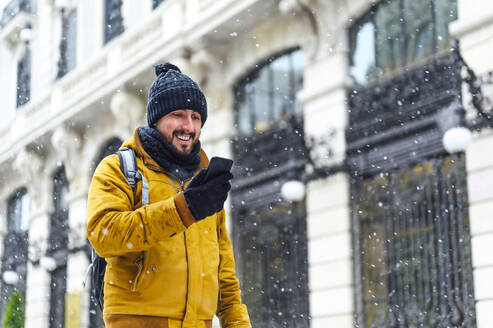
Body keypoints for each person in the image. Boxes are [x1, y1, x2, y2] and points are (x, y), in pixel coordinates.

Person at [87, 63, 251, 328]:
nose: (188, 125)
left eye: (196, 117)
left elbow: (225, 279)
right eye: (178, 114)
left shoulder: (205, 182)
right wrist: (182, 209)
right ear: (156, 119)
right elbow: (103, 234)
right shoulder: (118, 168)